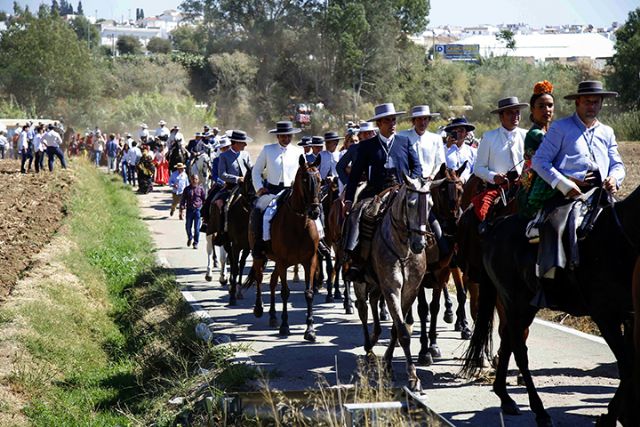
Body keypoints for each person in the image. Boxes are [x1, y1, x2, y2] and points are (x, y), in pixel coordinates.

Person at [342, 103, 422, 279]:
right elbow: (354, 175)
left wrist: (412, 182)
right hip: (375, 192)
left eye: (394, 120)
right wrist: (348, 200)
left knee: (426, 213)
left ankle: (432, 258)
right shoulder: (367, 146)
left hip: (402, 191)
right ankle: (355, 259)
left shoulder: (404, 141)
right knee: (357, 214)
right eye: (388, 121)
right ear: (378, 124)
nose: (392, 124)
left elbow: (417, 167)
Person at [532, 80, 624, 200]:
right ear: (577, 102)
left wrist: (614, 178)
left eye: (595, 102)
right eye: (587, 102)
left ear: (601, 104)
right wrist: (565, 184)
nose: (591, 106)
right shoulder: (560, 128)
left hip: (601, 194)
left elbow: (617, 164)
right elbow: (539, 161)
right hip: (566, 197)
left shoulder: (607, 132)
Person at [251, 120, 304, 256]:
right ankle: (259, 243)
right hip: (272, 191)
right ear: (277, 136)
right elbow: (256, 171)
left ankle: (319, 241)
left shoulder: (298, 151)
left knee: (315, 209)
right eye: (283, 136)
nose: (286, 138)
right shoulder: (268, 150)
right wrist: (259, 188)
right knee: (258, 209)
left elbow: (303, 173)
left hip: (292, 191)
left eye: (288, 136)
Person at [473, 97, 528, 228]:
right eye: (510, 113)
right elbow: (478, 168)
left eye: (517, 112)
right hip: (498, 188)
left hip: (524, 186)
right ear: (501, 116)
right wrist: (494, 177)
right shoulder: (489, 137)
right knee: (483, 216)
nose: (515, 116)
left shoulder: (527, 135)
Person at [518, 80, 556, 219]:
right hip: (534, 181)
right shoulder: (535, 134)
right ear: (532, 110)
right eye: (541, 106)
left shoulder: (551, 132)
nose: (547, 110)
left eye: (550, 105)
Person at [213, 130, 253, 232]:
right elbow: (222, 174)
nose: (245, 144)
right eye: (243, 142)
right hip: (231, 187)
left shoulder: (246, 154)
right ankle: (223, 229)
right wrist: (237, 179)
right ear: (235, 142)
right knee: (222, 205)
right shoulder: (224, 156)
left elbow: (251, 169)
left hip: (247, 187)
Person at [399, 105, 445, 180]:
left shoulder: (436, 138)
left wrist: (433, 175)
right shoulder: (403, 136)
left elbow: (440, 162)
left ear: (429, 120)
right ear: (414, 121)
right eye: (419, 119)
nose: (422, 122)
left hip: (429, 181)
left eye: (425, 119)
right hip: (410, 181)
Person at [443, 117, 477, 183]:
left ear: (466, 134)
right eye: (455, 131)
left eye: (461, 131)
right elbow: (438, 164)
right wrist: (447, 146)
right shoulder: (444, 149)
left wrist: (464, 179)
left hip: (466, 186)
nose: (458, 133)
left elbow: (475, 171)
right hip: (448, 187)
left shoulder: (473, 152)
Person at [180, 174, 207, 249]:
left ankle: (195, 243)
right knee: (188, 226)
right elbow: (183, 200)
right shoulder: (187, 189)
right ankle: (190, 237)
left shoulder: (201, 189)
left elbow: (204, 200)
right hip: (189, 210)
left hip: (198, 211)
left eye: (196, 179)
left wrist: (205, 213)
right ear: (190, 180)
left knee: (197, 228)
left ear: (198, 180)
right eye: (193, 179)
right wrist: (181, 209)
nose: (194, 181)